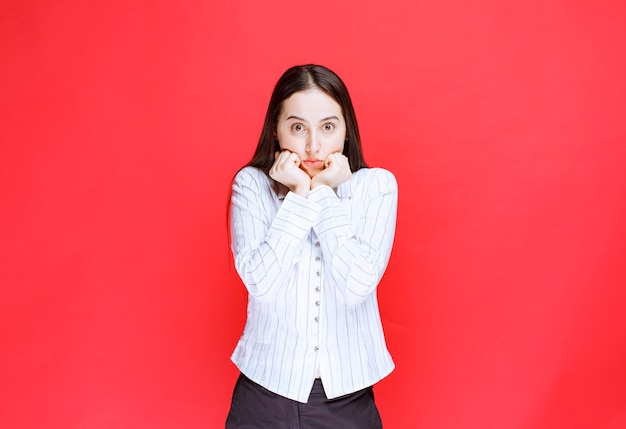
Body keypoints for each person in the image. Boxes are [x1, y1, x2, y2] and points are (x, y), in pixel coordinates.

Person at [225, 64, 398, 429]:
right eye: (298, 127)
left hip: (346, 401)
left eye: (328, 127)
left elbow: (358, 285)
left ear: (346, 130)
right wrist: (301, 194)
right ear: (276, 129)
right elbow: (261, 285)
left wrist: (322, 194)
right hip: (263, 394)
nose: (313, 146)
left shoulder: (375, 187)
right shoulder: (252, 186)